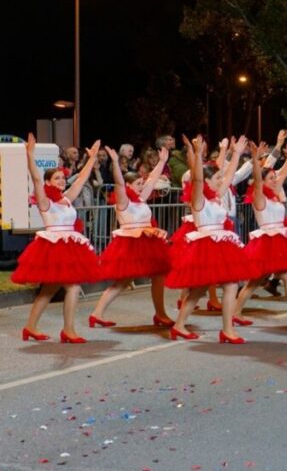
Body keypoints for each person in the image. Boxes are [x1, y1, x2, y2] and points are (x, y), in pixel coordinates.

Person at [165, 135, 255, 343]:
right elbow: (197, 179)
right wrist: (196, 155)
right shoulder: (199, 199)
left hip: (221, 243)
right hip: (206, 246)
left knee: (225, 285)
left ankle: (223, 329)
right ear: (206, 181)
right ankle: (186, 326)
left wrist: (237, 154)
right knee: (200, 290)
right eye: (216, 179)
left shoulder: (215, 196)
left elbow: (230, 175)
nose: (221, 181)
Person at [15, 135, 103, 343]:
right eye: (57, 179)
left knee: (47, 291)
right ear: (47, 182)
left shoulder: (66, 198)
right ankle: (68, 330)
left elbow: (81, 179)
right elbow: (36, 178)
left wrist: (90, 159)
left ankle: (30, 327)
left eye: (62, 178)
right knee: (72, 287)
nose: (62, 181)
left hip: (70, 246)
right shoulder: (45, 201)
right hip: (55, 247)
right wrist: (29, 154)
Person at [88, 146, 175, 328]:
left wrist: (162, 162)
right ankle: (97, 313)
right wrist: (115, 163)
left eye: (141, 184)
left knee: (158, 275)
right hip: (131, 245)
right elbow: (119, 183)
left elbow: (151, 180)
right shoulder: (123, 201)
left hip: (147, 241)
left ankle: (160, 313)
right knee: (123, 281)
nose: (142, 186)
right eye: (137, 184)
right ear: (128, 186)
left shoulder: (140, 198)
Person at [232, 141, 287, 329]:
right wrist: (255, 159)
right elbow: (258, 180)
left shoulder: (274, 193)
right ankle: (236, 312)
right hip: (266, 244)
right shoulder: (259, 197)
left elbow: (283, 174)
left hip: (280, 242)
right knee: (254, 283)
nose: (275, 180)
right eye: (271, 178)